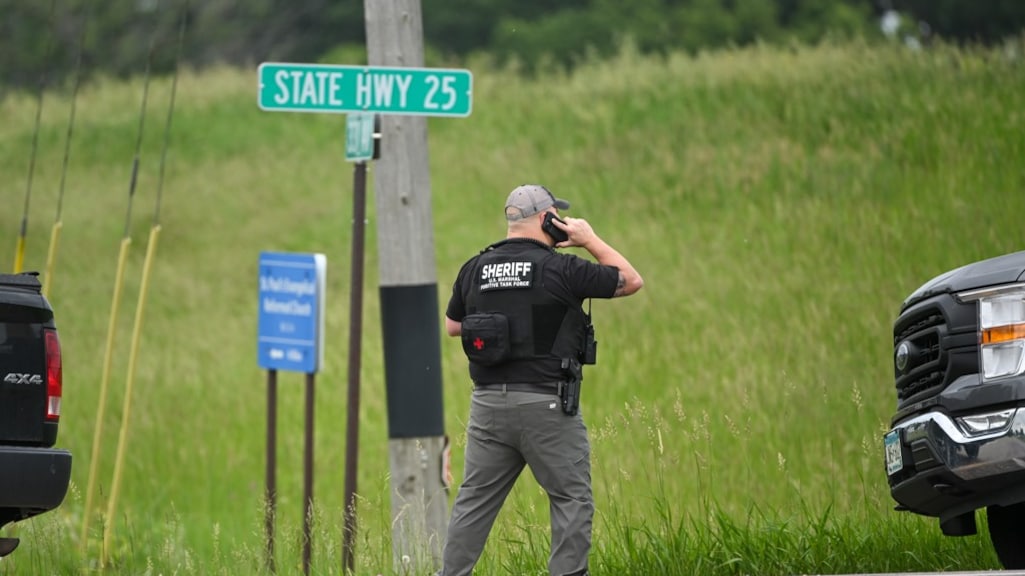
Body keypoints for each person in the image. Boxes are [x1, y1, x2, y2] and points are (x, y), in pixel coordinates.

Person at [437, 184, 644, 576]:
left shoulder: (475, 267)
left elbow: (452, 325)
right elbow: (630, 280)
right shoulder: (563, 268)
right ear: (548, 219)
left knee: (474, 501)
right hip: (546, 406)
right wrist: (588, 239)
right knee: (570, 499)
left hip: (488, 408)